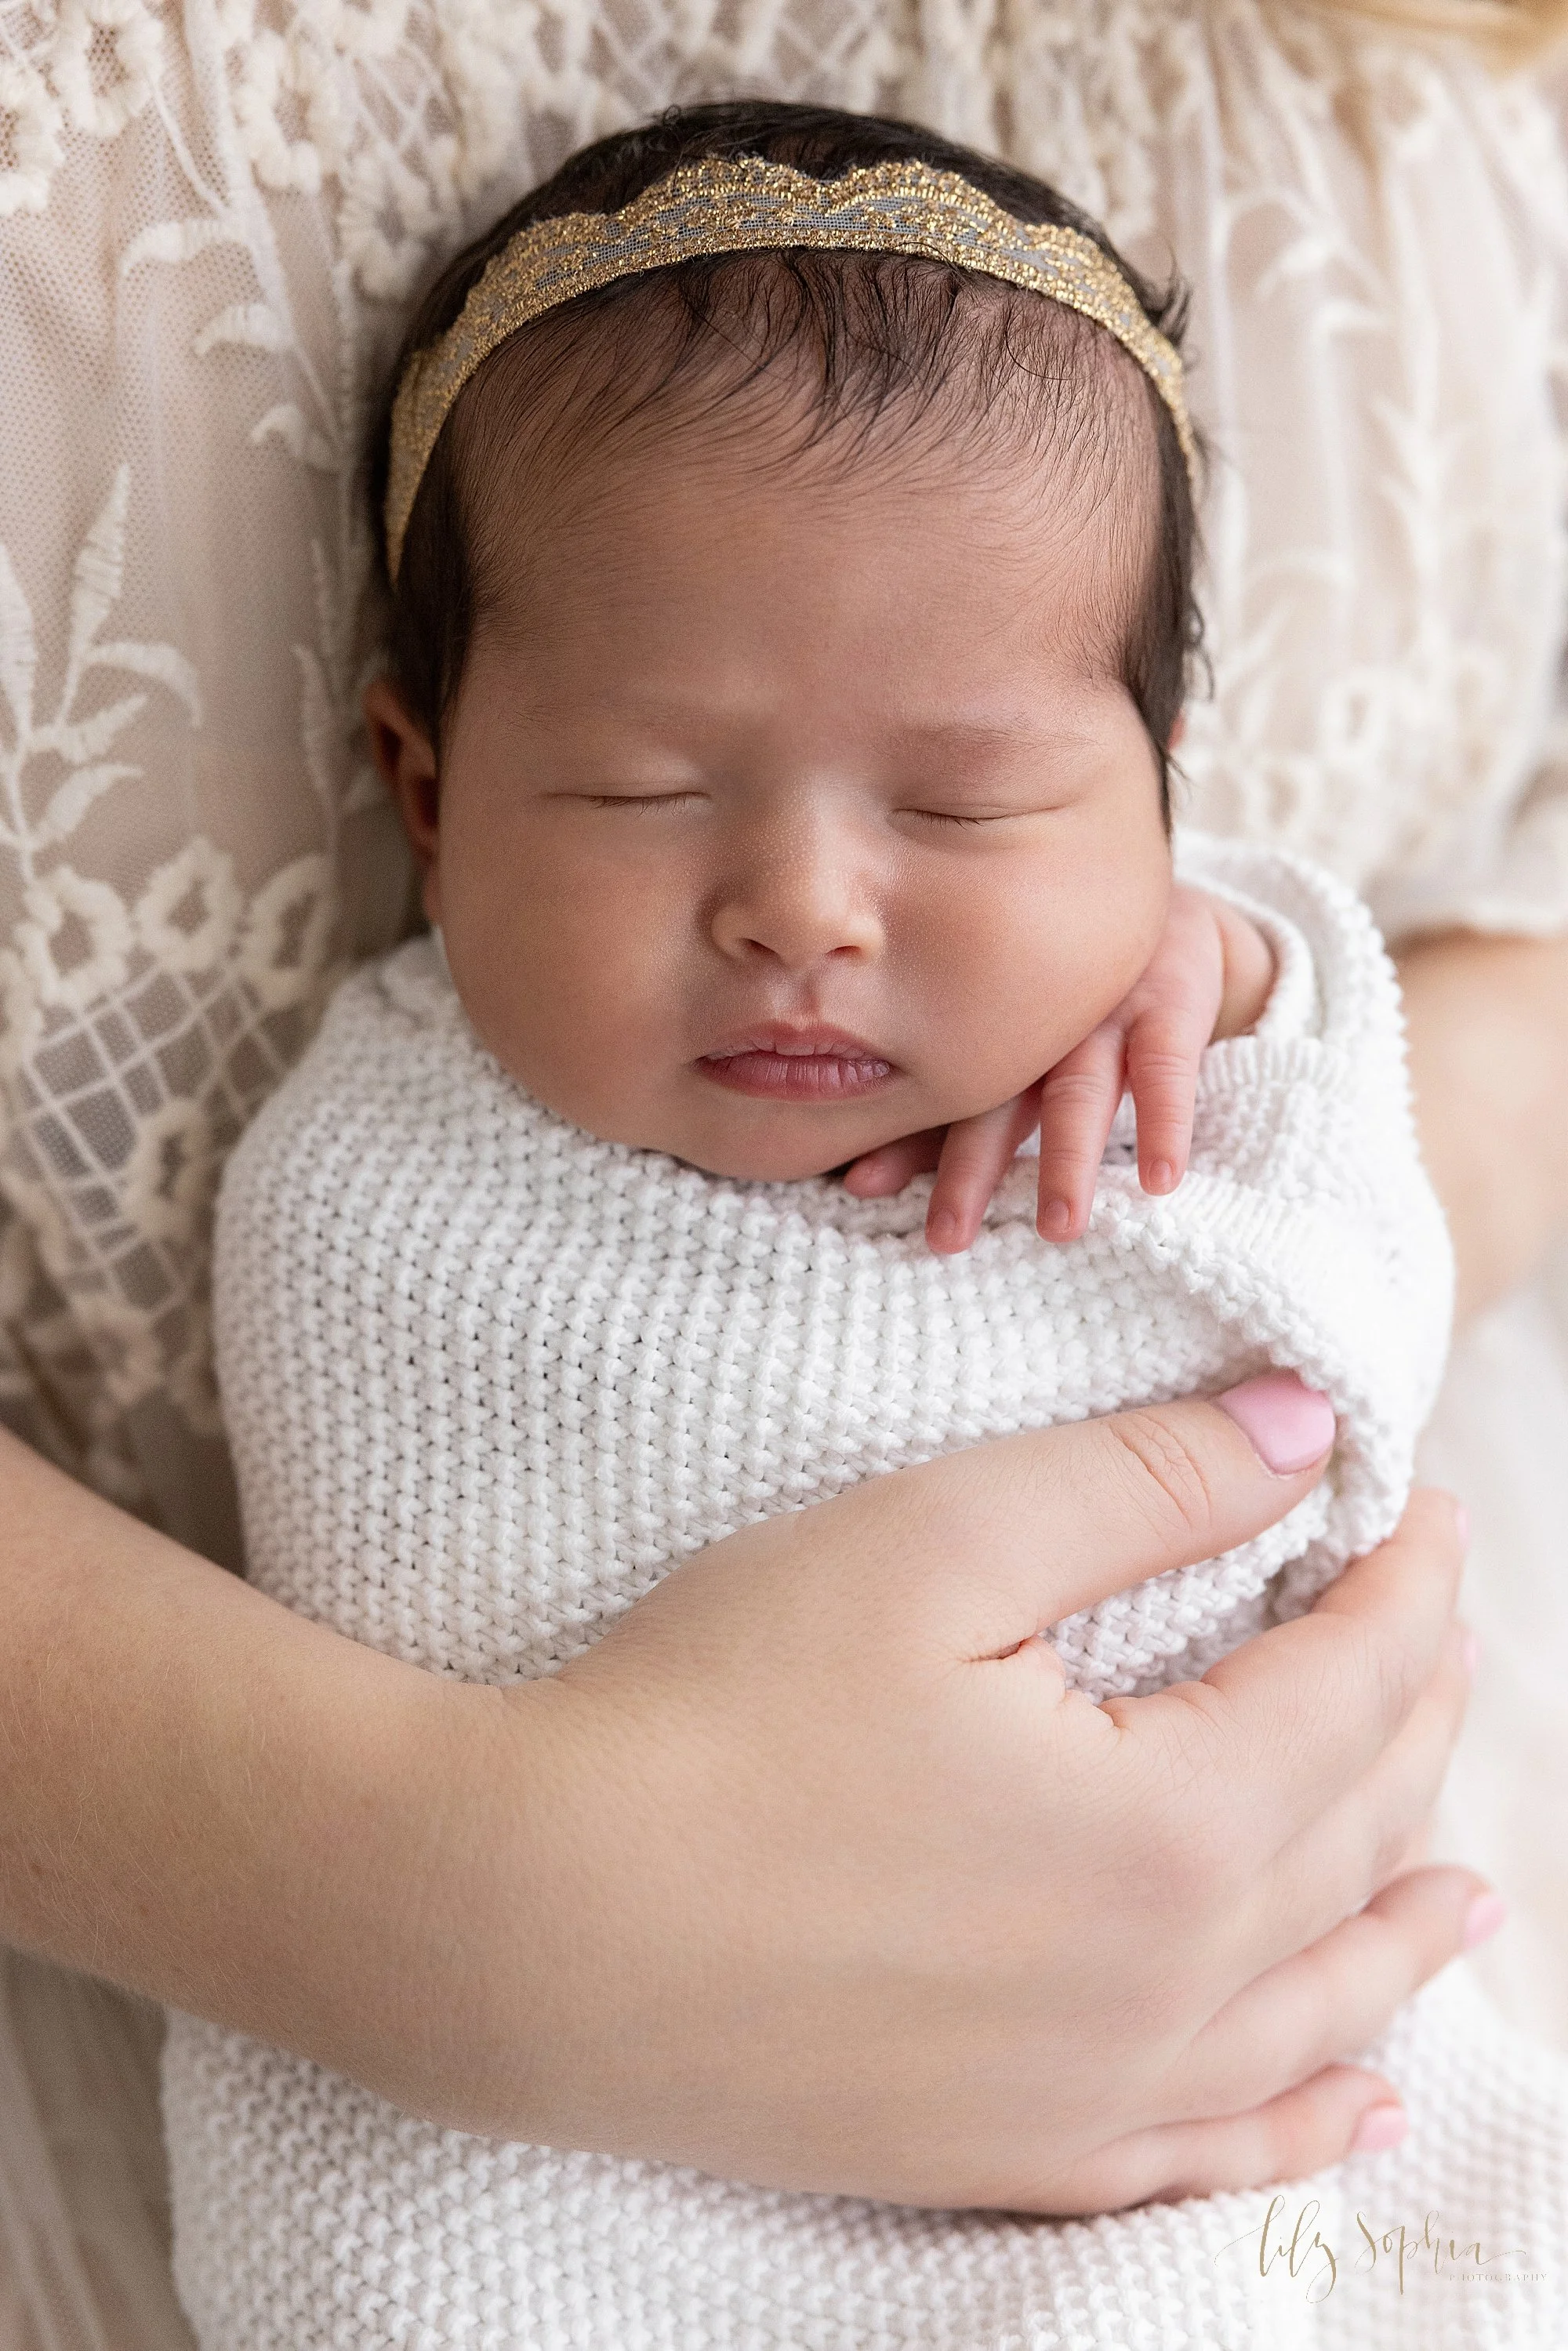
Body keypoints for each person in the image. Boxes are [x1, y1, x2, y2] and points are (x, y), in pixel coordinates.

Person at [2, 4, 1567, 2348]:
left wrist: (1247, 989)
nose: (808, 907)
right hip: (547, 2164)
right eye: (643, 794)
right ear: (420, 792)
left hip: (1233, 2100)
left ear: (1158, 793)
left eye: (961, 805)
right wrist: (511, 1901)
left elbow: (1350, 1273)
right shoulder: (386, 1177)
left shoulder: (1185, 1049)